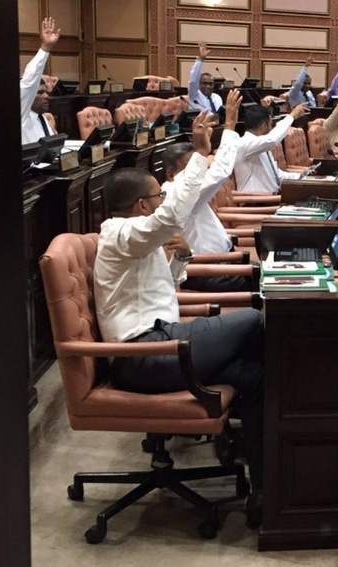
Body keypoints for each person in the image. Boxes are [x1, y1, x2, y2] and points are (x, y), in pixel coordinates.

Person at [94, 111, 266, 527]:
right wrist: (200, 156)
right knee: (254, 320)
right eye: (157, 195)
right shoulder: (119, 233)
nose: (162, 200)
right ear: (142, 205)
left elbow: (162, 290)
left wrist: (181, 259)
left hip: (163, 342)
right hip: (142, 357)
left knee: (254, 373)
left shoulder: (135, 239)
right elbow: (170, 215)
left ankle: (264, 485)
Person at [162, 90, 248, 292]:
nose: (197, 171)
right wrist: (229, 126)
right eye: (191, 167)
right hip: (206, 271)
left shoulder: (185, 188)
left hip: (224, 261)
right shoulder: (176, 193)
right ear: (170, 174)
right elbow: (220, 171)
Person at [233, 102, 310, 194]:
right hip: (256, 200)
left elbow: (277, 176)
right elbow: (272, 140)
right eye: (271, 124)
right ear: (264, 126)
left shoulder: (261, 145)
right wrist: (292, 116)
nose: (271, 128)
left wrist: (301, 175)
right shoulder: (245, 143)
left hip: (273, 196)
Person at [21, 17, 60, 144]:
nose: (46, 96)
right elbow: (29, 80)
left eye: (46, 92)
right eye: (40, 93)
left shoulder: (43, 119)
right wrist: (45, 48)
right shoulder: (22, 116)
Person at [188, 42, 224, 113]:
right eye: (205, 83)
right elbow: (193, 80)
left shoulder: (217, 98)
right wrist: (201, 59)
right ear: (199, 84)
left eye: (211, 84)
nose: (208, 86)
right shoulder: (194, 95)